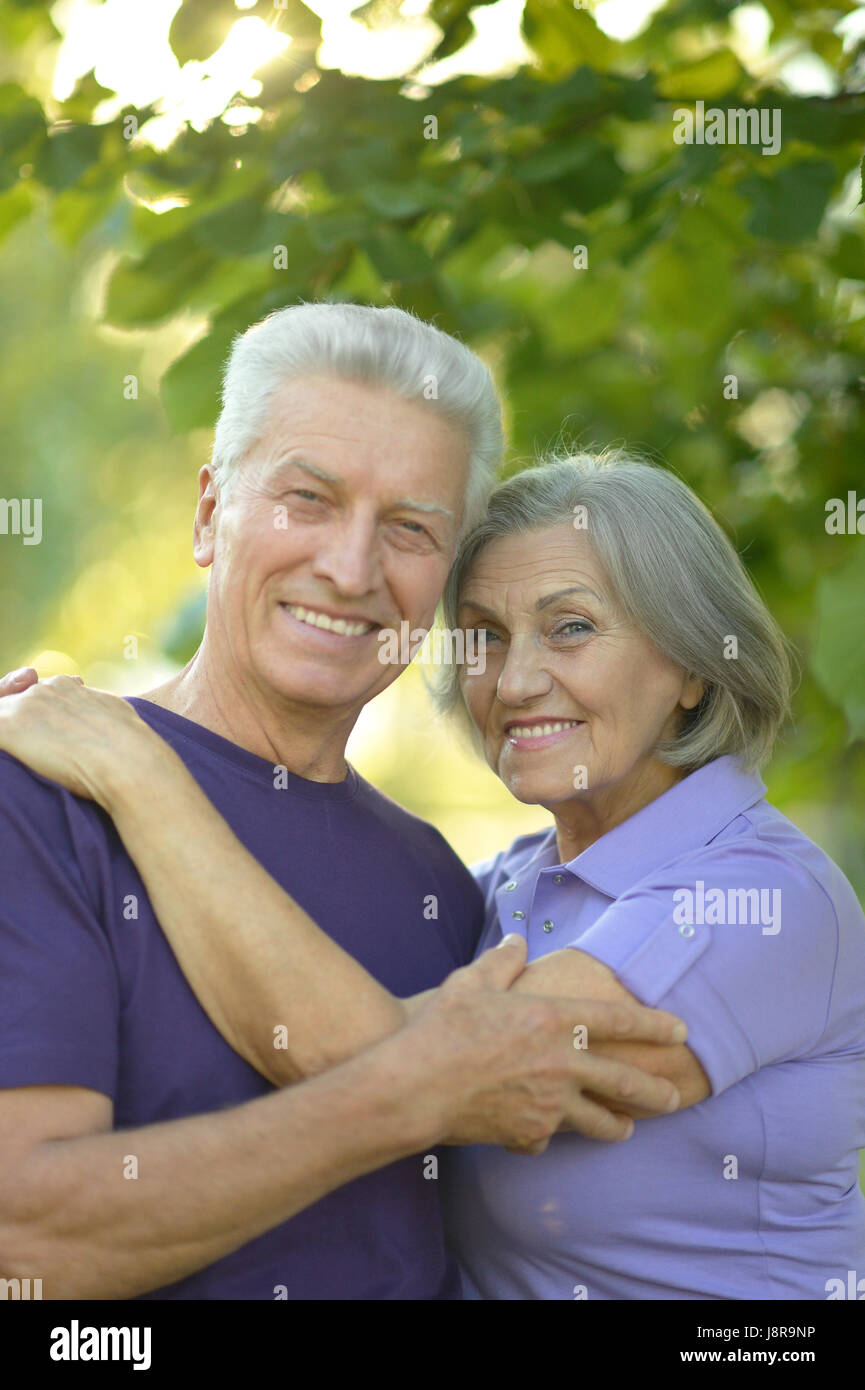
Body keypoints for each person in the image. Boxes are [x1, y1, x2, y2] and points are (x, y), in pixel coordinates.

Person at [5, 447, 863, 1300]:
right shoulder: (490, 893)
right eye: (485, 637)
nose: (517, 680)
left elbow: (408, 1072)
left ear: (688, 667)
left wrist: (141, 772)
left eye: (571, 627)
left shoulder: (761, 897)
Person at [0, 305, 684, 1301]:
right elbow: (26, 1241)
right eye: (308, 500)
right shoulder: (36, 798)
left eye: (409, 527)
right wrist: (411, 1089)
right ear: (207, 515)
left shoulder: (438, 884)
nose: (352, 568)